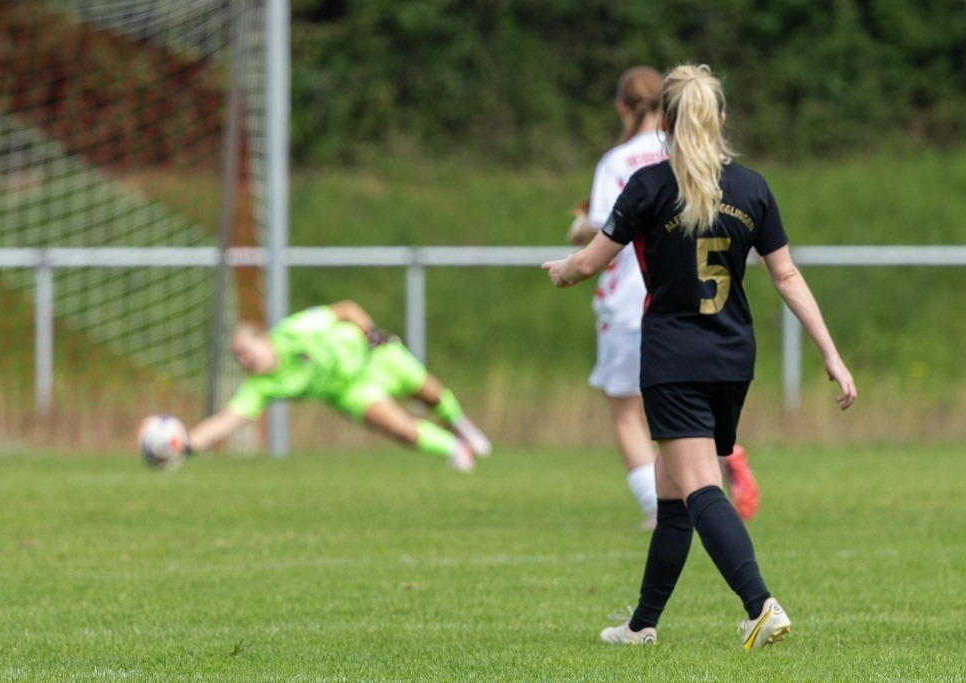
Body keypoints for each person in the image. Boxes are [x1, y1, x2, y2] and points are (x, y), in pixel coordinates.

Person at [543, 64, 856, 648]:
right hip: (733, 359)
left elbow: (587, 262)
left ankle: (761, 604)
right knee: (673, 496)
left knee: (698, 487)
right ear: (722, 121)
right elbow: (786, 277)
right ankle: (642, 625)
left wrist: (561, 273)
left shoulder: (649, 187)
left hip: (674, 360)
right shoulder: (752, 188)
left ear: (662, 122)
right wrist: (831, 355)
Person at [570, 66, 759, 528]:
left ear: (620, 107)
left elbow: (605, 230)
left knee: (627, 413)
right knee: (686, 414)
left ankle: (661, 508)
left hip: (630, 303)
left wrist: (577, 229)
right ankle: (719, 458)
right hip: (694, 302)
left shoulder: (618, 163)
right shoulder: (693, 156)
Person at [185, 300, 492, 472]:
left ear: (264, 339)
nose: (245, 361)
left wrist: (367, 333)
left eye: (247, 352)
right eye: (239, 359)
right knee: (403, 432)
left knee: (432, 396)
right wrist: (186, 445)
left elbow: (346, 309)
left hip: (373, 357)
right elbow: (229, 419)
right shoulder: (260, 386)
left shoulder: (293, 330)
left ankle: (460, 425)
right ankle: (456, 448)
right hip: (349, 390)